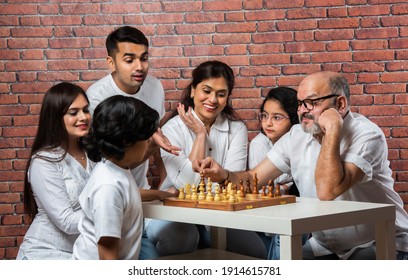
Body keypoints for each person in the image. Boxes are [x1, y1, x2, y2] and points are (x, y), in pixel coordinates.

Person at [193, 71, 408, 260]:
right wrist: (222, 175)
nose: (302, 110)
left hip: (379, 241)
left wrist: (333, 130)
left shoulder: (367, 135)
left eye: (312, 102)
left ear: (340, 105)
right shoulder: (296, 135)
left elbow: (327, 190)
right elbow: (254, 179)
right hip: (327, 247)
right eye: (300, 102)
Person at [145, 60, 263, 257]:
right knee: (183, 237)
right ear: (193, 91)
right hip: (173, 210)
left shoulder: (237, 129)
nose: (213, 99)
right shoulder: (171, 129)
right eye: (206, 91)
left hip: (220, 212)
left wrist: (223, 180)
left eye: (221, 94)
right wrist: (200, 135)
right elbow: (186, 185)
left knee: (256, 251)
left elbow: (232, 182)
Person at [85, 26, 180, 259]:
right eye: (129, 60)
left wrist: (162, 191)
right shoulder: (97, 97)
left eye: (144, 58)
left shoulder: (155, 87)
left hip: (136, 190)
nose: (139, 67)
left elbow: (151, 133)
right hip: (116, 194)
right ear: (111, 63)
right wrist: (152, 142)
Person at [72, 96, 161, 259]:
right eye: (145, 137)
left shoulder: (118, 169)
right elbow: (107, 253)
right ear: (127, 141)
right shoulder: (108, 186)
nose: (149, 141)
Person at [17, 82, 92, 260]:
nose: (83, 117)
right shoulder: (44, 161)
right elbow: (66, 221)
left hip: (81, 253)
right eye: (73, 113)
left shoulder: (93, 153)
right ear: (55, 117)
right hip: (44, 253)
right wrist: (109, 211)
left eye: (86, 110)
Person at [248, 86, 307, 260]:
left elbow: (299, 184)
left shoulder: (301, 141)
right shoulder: (259, 144)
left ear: (293, 119)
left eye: (277, 117)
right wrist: (287, 186)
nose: (268, 123)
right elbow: (262, 187)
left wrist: (281, 185)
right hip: (265, 214)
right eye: (264, 116)